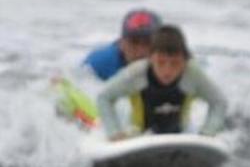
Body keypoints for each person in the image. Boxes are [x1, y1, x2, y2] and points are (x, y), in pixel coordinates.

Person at [95, 24, 227, 140]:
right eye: (161, 62)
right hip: (139, 136)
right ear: (150, 58)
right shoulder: (135, 73)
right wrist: (114, 132)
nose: (167, 71)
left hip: (181, 135)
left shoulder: (193, 74)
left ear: (186, 60)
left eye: (175, 63)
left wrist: (208, 133)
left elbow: (219, 101)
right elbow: (104, 97)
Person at [82, 8, 162, 80]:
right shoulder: (99, 64)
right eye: (134, 42)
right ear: (121, 43)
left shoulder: (170, 63)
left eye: (148, 43)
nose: (141, 51)